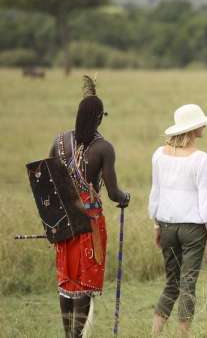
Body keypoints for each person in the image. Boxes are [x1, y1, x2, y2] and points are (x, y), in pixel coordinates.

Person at [49, 76, 130, 338]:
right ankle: (76, 336)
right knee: (85, 283)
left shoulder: (59, 142)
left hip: (63, 222)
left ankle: (68, 335)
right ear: (99, 119)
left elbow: (48, 182)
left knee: (67, 281)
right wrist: (125, 197)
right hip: (90, 224)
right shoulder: (104, 148)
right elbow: (114, 192)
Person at [149, 104, 207, 336]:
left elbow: (155, 191)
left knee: (171, 283)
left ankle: (155, 333)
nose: (204, 126)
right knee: (188, 284)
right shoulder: (201, 158)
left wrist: (156, 224)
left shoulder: (159, 154)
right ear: (193, 128)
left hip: (166, 225)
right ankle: (182, 334)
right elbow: (204, 197)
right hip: (193, 228)